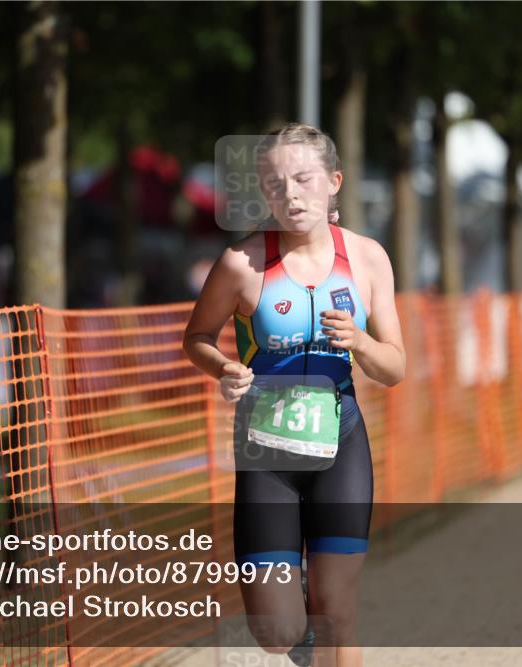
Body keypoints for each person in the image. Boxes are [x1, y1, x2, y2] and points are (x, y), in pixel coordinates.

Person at [183, 123, 405, 667]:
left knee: (338, 611)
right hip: (268, 454)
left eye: (303, 179)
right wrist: (223, 368)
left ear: (334, 182)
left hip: (341, 445)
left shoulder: (368, 259)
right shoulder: (242, 264)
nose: (291, 195)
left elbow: (395, 366)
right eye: (276, 184)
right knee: (277, 630)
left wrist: (360, 343)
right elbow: (197, 338)